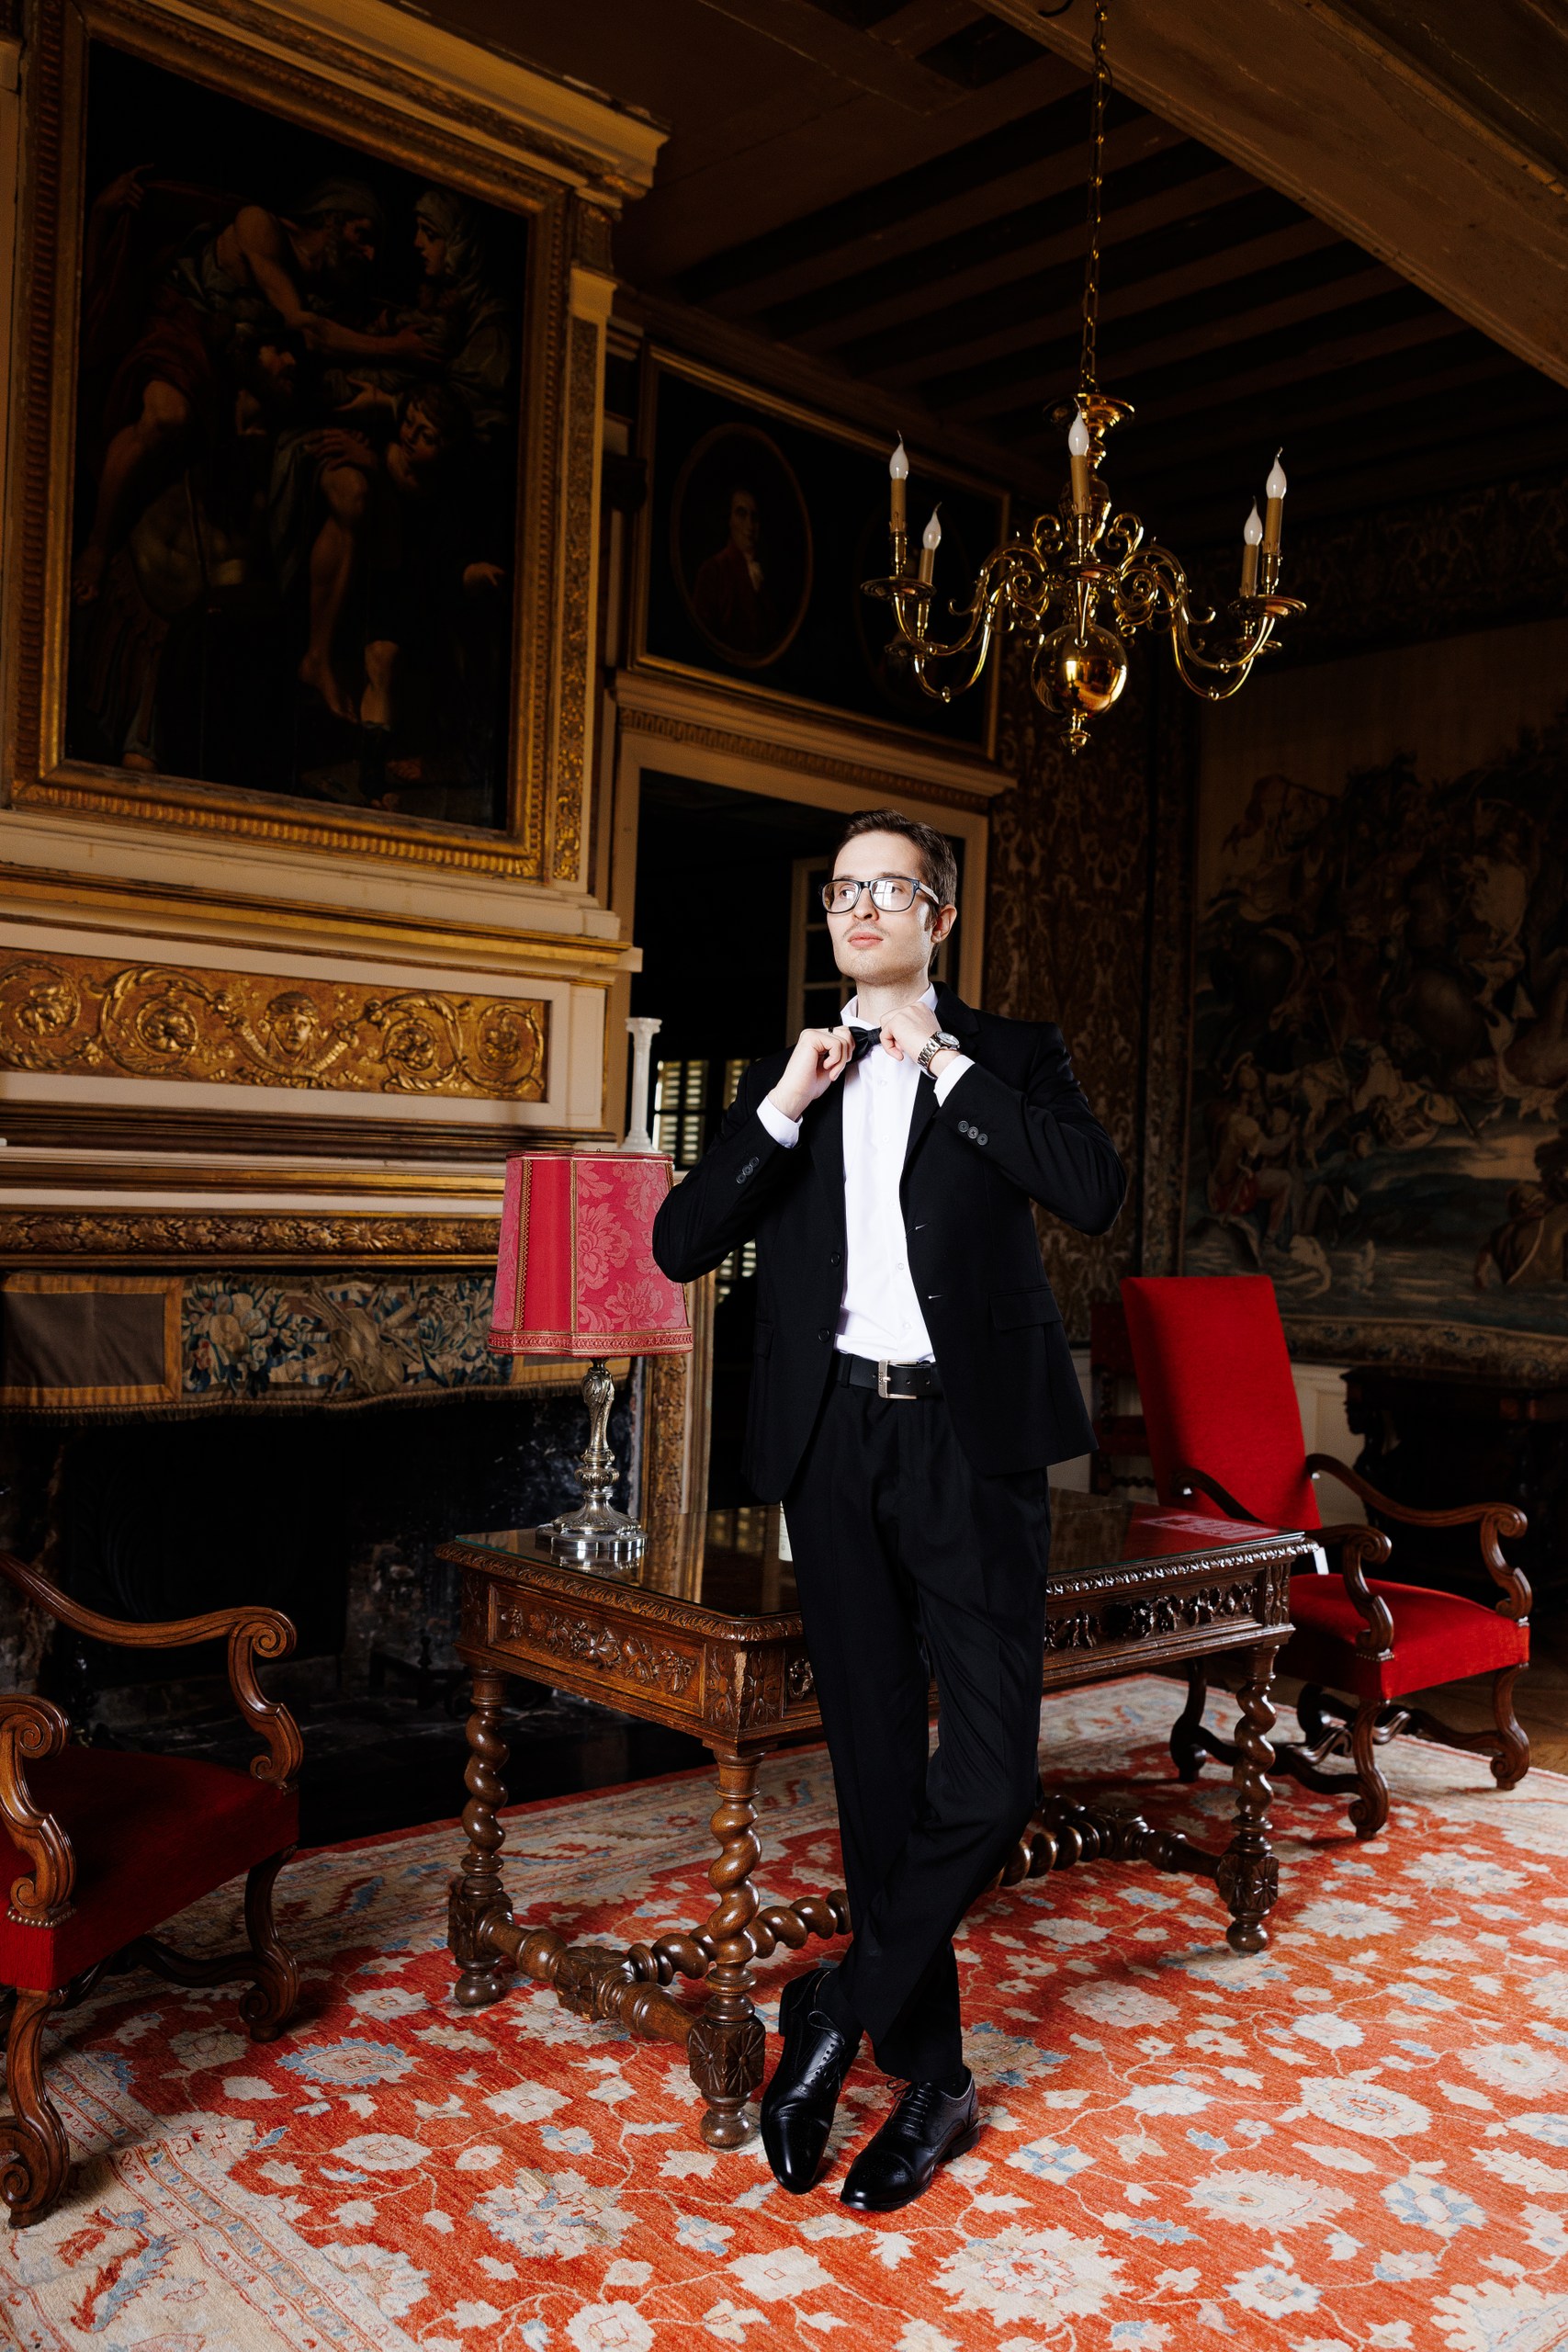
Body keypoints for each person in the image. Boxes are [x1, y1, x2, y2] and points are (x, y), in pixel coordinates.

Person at [651, 808, 1124, 2212]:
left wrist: (953, 1071)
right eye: (842, 893)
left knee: (992, 1778)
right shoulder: (788, 1074)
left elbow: (1092, 1193)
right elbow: (683, 1242)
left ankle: (835, 2012)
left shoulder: (1015, 1056)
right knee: (875, 1778)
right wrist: (781, 1107)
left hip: (969, 1449)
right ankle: (936, 2082)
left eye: (886, 890)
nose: (857, 911)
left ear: (941, 914)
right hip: (832, 1443)